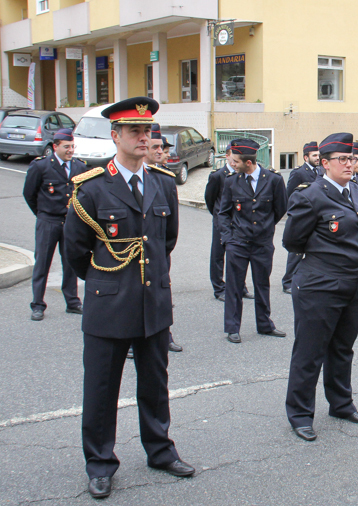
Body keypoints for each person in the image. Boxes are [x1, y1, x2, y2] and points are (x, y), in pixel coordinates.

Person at [64, 97, 194, 499]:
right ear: (115, 136)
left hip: (153, 302)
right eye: (134, 131)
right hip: (109, 303)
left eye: (148, 131)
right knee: (102, 389)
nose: (143, 137)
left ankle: (160, 450)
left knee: (155, 384)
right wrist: (112, 283)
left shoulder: (162, 182)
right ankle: (100, 464)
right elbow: (75, 251)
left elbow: (164, 242)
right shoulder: (91, 187)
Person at [283, 132, 358, 442]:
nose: (350, 164)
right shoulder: (310, 195)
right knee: (310, 352)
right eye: (343, 159)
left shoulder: (356, 191)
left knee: (342, 349)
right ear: (324, 163)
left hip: (354, 283)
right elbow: (292, 241)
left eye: (353, 159)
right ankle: (300, 414)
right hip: (320, 286)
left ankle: (341, 403)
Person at [217, 139, 288, 343]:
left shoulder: (273, 180)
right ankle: (232, 327)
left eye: (236, 161)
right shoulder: (231, 181)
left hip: (262, 244)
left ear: (248, 163)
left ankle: (264, 325)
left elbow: (280, 208)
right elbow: (223, 213)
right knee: (234, 286)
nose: (233, 164)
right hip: (238, 243)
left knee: (262, 284)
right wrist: (229, 239)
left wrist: (266, 228)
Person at [22, 128, 87, 321]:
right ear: (55, 147)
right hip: (48, 221)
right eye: (66, 147)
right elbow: (29, 194)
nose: (70, 150)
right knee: (42, 263)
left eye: (72, 146)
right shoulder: (41, 166)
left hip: (70, 223)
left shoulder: (79, 167)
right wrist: (42, 214)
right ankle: (38, 305)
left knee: (71, 262)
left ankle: (73, 302)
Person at [144, 127, 183, 353]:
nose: (160, 151)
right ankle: (132, 339)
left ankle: (164, 335)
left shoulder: (165, 179)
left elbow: (172, 228)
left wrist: (161, 252)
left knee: (161, 294)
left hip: (158, 253)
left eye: (162, 148)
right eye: (155, 147)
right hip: (130, 255)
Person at [204, 143, 253, 301]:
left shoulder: (244, 173)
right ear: (226, 156)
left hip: (239, 221)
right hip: (222, 221)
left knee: (240, 254)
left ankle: (241, 285)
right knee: (218, 254)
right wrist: (219, 216)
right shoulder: (218, 176)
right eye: (232, 159)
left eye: (236, 160)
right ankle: (219, 288)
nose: (234, 163)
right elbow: (210, 199)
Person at [281, 141, 319, 293]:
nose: (317, 158)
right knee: (296, 253)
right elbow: (290, 195)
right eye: (314, 155)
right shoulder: (298, 173)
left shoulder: (320, 172)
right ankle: (288, 282)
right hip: (302, 217)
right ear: (305, 157)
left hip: (316, 217)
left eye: (318, 155)